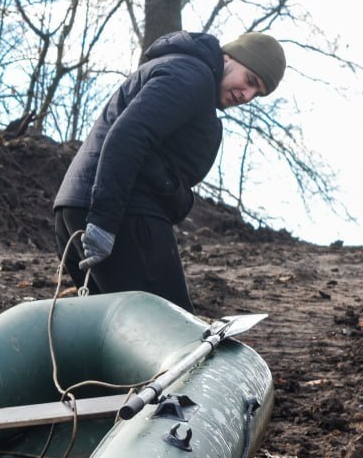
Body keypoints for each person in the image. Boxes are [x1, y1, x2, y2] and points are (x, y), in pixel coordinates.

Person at [52, 31, 285, 312]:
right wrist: (104, 221)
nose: (246, 95)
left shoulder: (176, 68)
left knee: (111, 331)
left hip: (74, 205)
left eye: (256, 93)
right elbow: (128, 135)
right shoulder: (192, 76)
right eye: (249, 80)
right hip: (123, 214)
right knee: (173, 329)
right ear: (228, 58)